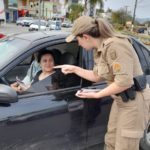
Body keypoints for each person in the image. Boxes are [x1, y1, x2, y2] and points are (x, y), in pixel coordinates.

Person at [54, 16, 150, 150]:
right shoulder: (100, 49)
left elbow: (124, 82)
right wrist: (75, 69)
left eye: (78, 40)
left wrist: (97, 94)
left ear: (86, 36)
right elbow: (96, 76)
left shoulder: (116, 46)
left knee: (124, 146)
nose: (79, 44)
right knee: (110, 140)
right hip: (121, 100)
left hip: (134, 103)